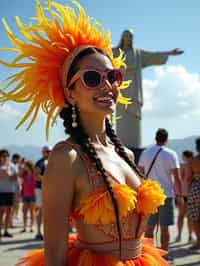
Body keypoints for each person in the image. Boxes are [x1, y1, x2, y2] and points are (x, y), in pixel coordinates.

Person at [0, 1, 168, 265]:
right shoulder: (66, 157)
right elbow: (54, 256)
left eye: (112, 76)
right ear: (69, 92)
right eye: (92, 78)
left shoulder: (125, 154)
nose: (107, 86)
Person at [112, 30, 184, 148]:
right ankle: (121, 146)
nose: (128, 38)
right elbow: (103, 54)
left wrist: (169, 53)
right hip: (121, 90)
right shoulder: (115, 52)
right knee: (122, 120)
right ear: (122, 38)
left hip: (134, 91)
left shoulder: (138, 53)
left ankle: (135, 145)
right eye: (126, 36)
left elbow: (153, 55)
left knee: (134, 121)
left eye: (130, 36)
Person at [138, 129, 183, 260]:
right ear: (166, 139)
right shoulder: (171, 154)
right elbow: (177, 177)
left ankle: (149, 256)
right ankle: (164, 256)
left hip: (149, 195)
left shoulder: (145, 152)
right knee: (164, 228)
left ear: (155, 138)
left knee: (149, 228)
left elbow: (140, 173)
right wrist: (179, 196)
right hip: (166, 195)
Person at [175, 150, 194, 243]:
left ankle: (179, 235)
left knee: (181, 215)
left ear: (184, 156)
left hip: (182, 193)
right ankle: (190, 236)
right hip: (190, 193)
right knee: (190, 217)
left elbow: (180, 178)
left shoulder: (182, 165)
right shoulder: (193, 165)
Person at [34, 146, 51, 240]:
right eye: (47, 151)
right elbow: (36, 176)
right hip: (40, 189)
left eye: (49, 151)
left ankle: (46, 232)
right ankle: (39, 232)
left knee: (47, 211)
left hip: (49, 189)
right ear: (43, 152)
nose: (48, 153)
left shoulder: (52, 162)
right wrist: (47, 180)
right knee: (41, 210)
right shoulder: (40, 162)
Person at [187, 137, 200, 251]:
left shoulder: (192, 161)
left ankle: (198, 242)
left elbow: (188, 179)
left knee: (195, 218)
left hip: (195, 189)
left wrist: (187, 193)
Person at [0, 149, 17, 238]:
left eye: (7, 156)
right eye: (3, 156)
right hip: (1, 192)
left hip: (10, 191)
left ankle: (6, 230)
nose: (5, 158)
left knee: (9, 211)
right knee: (1, 212)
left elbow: (14, 178)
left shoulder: (12, 166)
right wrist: (5, 172)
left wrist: (8, 173)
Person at [19, 160, 36, 233]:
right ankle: (24, 227)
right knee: (24, 211)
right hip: (25, 195)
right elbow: (18, 174)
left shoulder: (34, 175)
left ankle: (31, 226)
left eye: (26, 166)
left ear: (29, 166)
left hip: (33, 195)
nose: (24, 167)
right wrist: (22, 167)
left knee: (32, 212)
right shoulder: (24, 175)